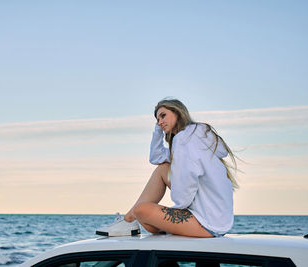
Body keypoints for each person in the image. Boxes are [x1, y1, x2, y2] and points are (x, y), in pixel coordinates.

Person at [96, 98, 238, 238]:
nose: (160, 122)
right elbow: (156, 158)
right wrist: (159, 130)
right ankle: (129, 221)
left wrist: (175, 211)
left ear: (178, 112)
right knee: (163, 169)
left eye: (163, 116)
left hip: (208, 224)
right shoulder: (195, 136)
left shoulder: (184, 140)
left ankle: (129, 221)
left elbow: (187, 185)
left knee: (141, 210)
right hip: (218, 219)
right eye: (157, 120)